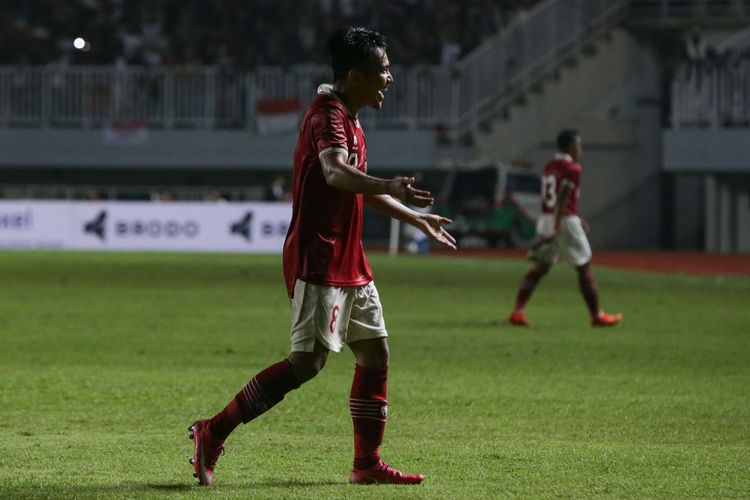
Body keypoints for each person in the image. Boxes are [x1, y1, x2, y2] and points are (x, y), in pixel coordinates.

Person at [188, 26, 456, 487]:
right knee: (306, 364)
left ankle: (366, 464)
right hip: (320, 256)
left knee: (375, 353)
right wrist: (389, 186)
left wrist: (414, 217)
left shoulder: (351, 117)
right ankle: (212, 431)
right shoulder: (326, 116)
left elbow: (358, 187)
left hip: (351, 258)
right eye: (383, 71)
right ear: (355, 75)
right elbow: (335, 173)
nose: (389, 79)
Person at [508, 129, 622, 328]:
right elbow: (562, 196)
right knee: (584, 266)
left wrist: (569, 218)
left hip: (545, 217)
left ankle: (518, 312)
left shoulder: (549, 165)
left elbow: (557, 198)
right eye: (579, 144)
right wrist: (562, 222)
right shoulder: (573, 168)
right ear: (571, 146)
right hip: (562, 221)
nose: (581, 148)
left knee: (541, 267)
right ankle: (597, 316)